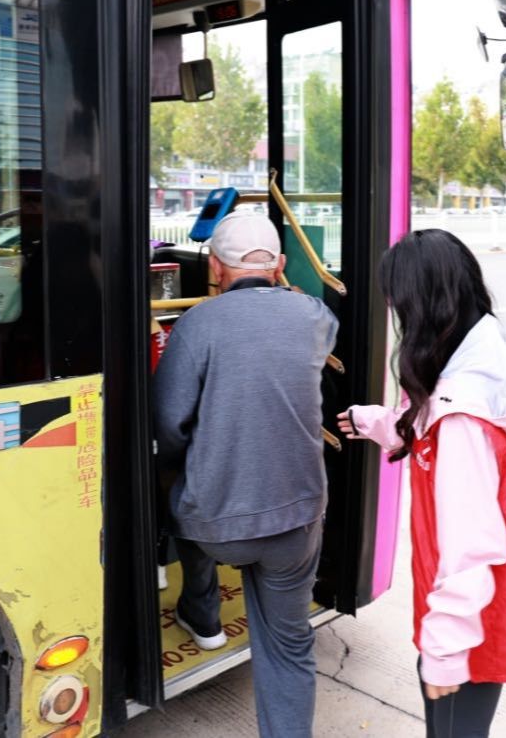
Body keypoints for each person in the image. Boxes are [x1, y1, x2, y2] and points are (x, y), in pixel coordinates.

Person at [337, 229, 506, 738]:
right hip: (497, 591)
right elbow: (437, 425)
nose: (394, 313)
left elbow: (469, 542)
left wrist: (445, 652)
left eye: (397, 302)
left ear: (422, 305)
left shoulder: (462, 418)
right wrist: (377, 422)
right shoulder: (491, 347)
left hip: (472, 612)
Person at [154, 209, 338, 738]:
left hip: (217, 528)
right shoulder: (315, 316)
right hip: (297, 521)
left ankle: (202, 610)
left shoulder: (197, 325)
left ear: (215, 267)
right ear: (280, 265)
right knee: (288, 644)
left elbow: (169, 426)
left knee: (179, 491)